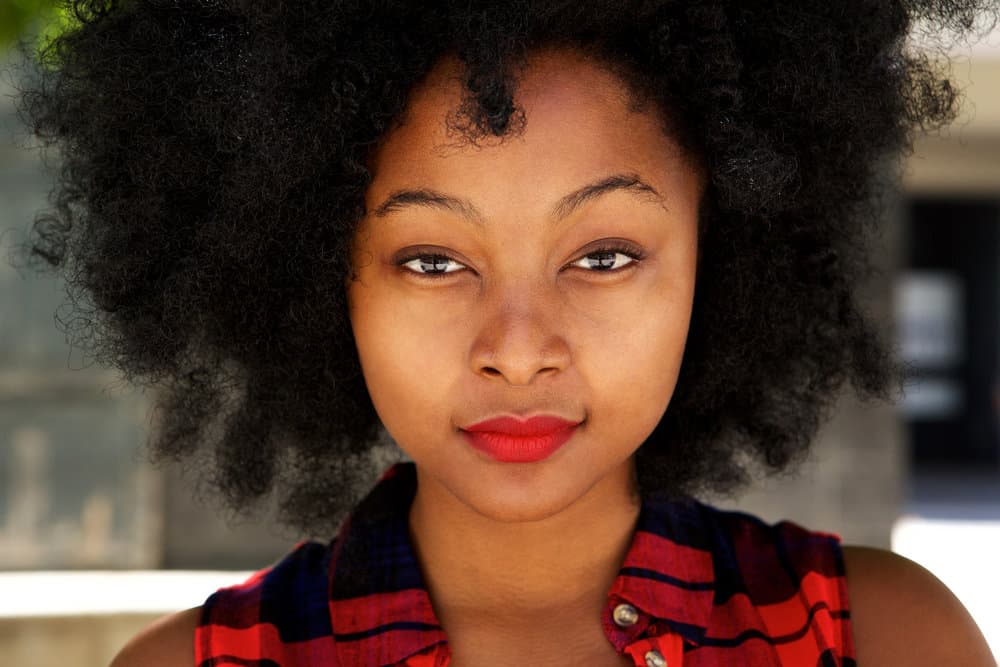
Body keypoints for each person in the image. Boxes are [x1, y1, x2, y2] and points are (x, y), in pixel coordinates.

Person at [14, 1, 998, 665]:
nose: (518, 347)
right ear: (318, 273)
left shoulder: (885, 640)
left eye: (604, 255)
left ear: (726, 251)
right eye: (432, 260)